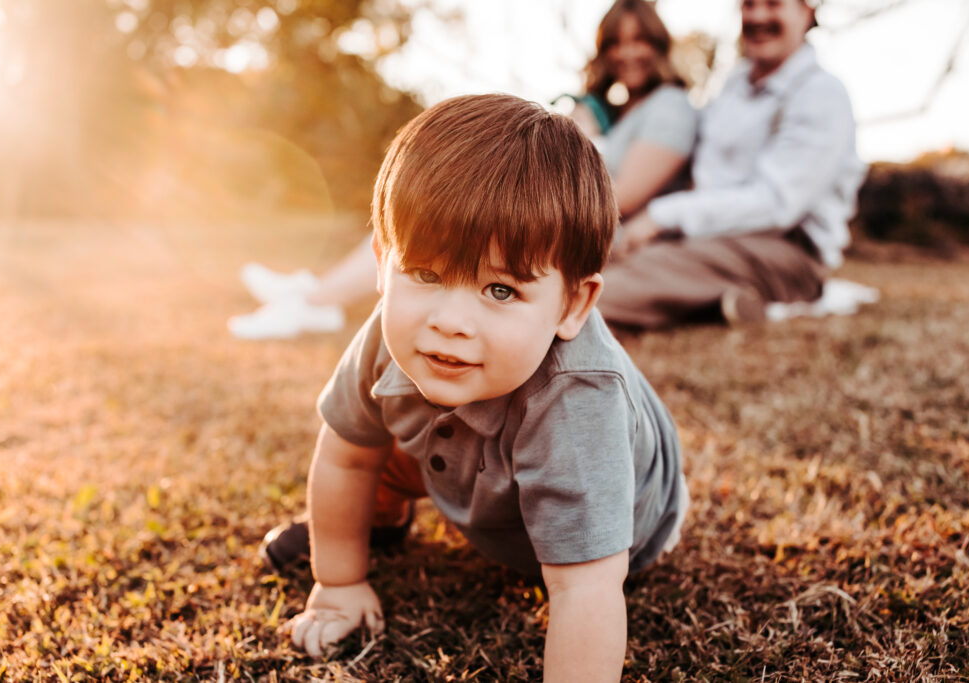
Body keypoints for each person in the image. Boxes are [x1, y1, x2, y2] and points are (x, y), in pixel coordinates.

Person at [267, 94, 687, 681]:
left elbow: (587, 589)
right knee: (380, 442)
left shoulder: (577, 399)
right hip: (473, 466)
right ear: (384, 264)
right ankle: (381, 525)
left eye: (500, 291)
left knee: (570, 541)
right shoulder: (390, 334)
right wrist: (338, 583)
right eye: (427, 274)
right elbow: (345, 457)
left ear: (573, 305)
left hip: (621, 528)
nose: (450, 321)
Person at [228, 0, 697, 340]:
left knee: (448, 217)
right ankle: (313, 295)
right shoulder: (615, 112)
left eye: (639, 41)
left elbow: (621, 197)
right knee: (428, 210)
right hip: (561, 218)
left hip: (589, 236)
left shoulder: (671, 107)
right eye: (615, 42)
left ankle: (311, 301)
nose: (627, 53)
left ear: (659, 46)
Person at [598, 0, 866, 330]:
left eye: (773, 5)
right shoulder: (734, 85)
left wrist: (660, 216)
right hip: (706, 239)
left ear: (807, 12)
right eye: (749, 5)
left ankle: (561, 317)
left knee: (630, 277)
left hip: (783, 249)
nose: (757, 16)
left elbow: (777, 204)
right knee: (598, 259)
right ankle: (722, 303)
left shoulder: (821, 94)